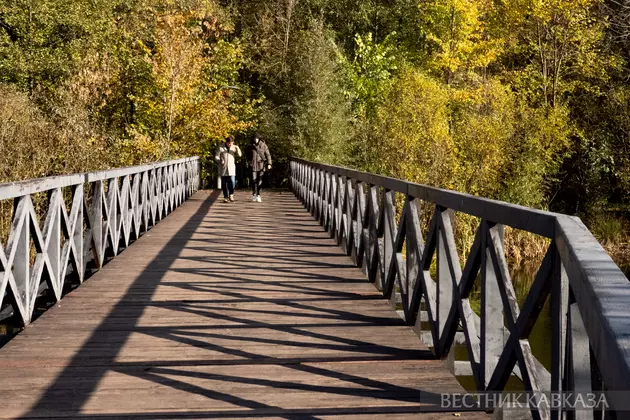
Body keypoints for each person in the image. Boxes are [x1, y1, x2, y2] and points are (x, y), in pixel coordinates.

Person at [246, 132, 272, 202]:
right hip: (253, 165)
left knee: (260, 181)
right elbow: (247, 155)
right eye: (255, 138)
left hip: (261, 165)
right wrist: (249, 162)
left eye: (257, 138)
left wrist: (269, 163)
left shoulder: (264, 145)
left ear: (259, 138)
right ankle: (254, 194)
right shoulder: (250, 146)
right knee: (253, 180)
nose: (256, 139)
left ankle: (258, 195)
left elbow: (268, 155)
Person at [215, 135, 242, 203]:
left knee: (232, 182)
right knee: (224, 183)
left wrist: (237, 148)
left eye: (231, 143)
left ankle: (231, 195)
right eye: (229, 143)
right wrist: (220, 160)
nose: (230, 144)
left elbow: (240, 155)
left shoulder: (234, 147)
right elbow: (216, 157)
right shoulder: (221, 148)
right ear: (226, 142)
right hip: (223, 168)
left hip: (231, 168)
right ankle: (225, 197)